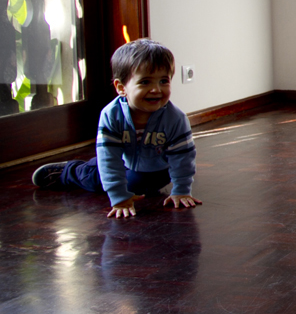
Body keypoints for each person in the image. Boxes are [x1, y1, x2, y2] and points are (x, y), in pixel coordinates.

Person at [31, 38, 201, 218]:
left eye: (163, 81)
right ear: (121, 88)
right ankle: (70, 171)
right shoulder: (111, 115)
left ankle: (113, 175)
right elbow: (110, 159)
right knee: (97, 179)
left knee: (137, 185)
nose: (156, 89)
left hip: (158, 170)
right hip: (121, 161)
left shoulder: (175, 119)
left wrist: (181, 190)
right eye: (145, 82)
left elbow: (183, 158)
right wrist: (118, 197)